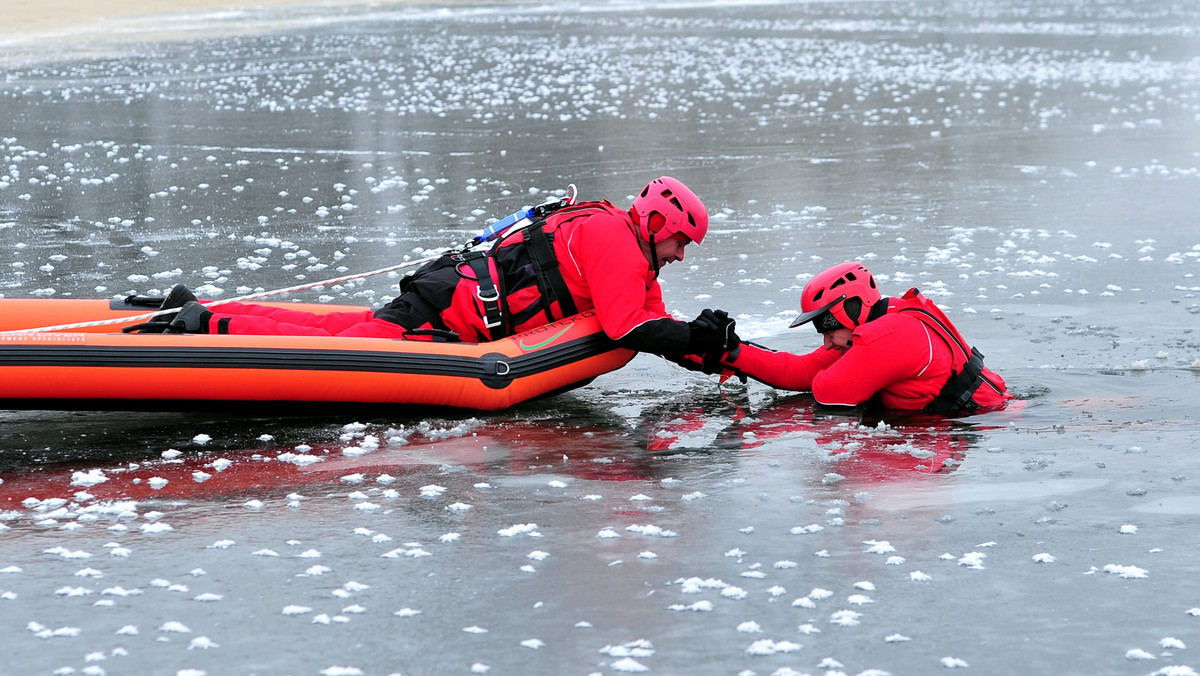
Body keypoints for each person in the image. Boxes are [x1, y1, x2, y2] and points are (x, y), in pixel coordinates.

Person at [129, 176, 740, 366]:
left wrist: (712, 344)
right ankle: (204, 321)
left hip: (454, 297)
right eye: (683, 242)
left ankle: (202, 308)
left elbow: (649, 318)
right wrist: (697, 340)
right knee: (339, 347)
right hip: (448, 309)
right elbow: (628, 328)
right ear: (659, 224)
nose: (682, 255)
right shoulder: (613, 239)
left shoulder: (622, 241)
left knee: (351, 331)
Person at [720, 261, 1012, 413]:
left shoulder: (888, 335)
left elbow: (828, 390)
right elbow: (803, 370)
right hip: (978, 413)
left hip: (983, 421)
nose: (826, 341)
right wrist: (726, 350)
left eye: (828, 327)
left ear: (852, 307)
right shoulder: (886, 320)